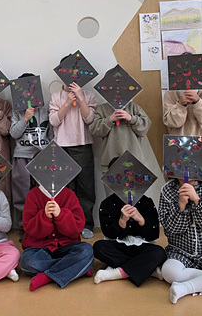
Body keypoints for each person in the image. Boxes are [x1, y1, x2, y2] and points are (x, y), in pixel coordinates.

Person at [92, 158, 167, 286]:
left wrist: (141, 219)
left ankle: (117, 272)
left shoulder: (146, 202)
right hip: (118, 246)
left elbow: (153, 234)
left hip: (142, 246)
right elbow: (108, 233)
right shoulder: (107, 204)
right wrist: (122, 222)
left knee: (159, 253)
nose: (126, 182)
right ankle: (147, 269)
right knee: (98, 247)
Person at [20, 184, 94, 291]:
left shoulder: (69, 195)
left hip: (66, 247)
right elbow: (29, 228)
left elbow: (76, 228)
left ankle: (48, 276)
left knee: (86, 250)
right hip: (40, 248)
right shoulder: (33, 195)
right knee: (28, 261)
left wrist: (60, 214)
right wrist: (45, 216)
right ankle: (75, 268)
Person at [49, 80, 98, 238]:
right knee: (65, 188)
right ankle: (66, 224)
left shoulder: (88, 95)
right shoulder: (56, 96)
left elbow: (89, 119)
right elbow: (53, 121)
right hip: (61, 146)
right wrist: (68, 102)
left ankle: (86, 224)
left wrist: (80, 98)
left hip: (83, 145)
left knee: (86, 187)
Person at [89, 99, 163, 202]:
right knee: (113, 200)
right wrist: (110, 119)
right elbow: (95, 130)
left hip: (134, 161)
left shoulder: (133, 107)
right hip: (110, 162)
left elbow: (145, 128)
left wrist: (131, 118)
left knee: (136, 199)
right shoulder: (102, 109)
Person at [9, 73, 52, 239]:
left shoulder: (45, 110)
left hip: (42, 156)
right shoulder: (17, 111)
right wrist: (25, 118)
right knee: (21, 192)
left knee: (44, 191)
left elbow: (52, 134)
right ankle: (24, 227)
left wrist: (49, 152)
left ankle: (44, 225)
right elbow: (13, 133)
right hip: (22, 155)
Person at [163, 85, 202, 182]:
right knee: (181, 184)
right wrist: (181, 104)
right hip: (179, 147)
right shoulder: (170, 92)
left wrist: (198, 101)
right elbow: (172, 122)